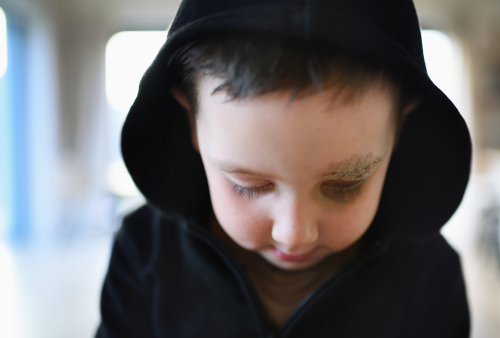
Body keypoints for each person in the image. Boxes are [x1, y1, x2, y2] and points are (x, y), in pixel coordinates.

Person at [96, 0, 472, 337]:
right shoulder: (143, 253)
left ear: (399, 129)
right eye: (249, 185)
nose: (294, 235)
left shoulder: (429, 276)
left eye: (344, 185)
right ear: (193, 123)